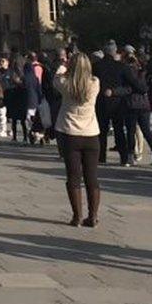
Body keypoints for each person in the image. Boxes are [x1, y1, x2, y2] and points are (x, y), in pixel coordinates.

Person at [54, 52, 101, 227]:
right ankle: (93, 216)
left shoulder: (65, 84)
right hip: (91, 134)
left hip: (70, 133)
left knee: (73, 176)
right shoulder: (94, 84)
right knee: (92, 177)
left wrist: (64, 64)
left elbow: (57, 76)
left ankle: (77, 217)